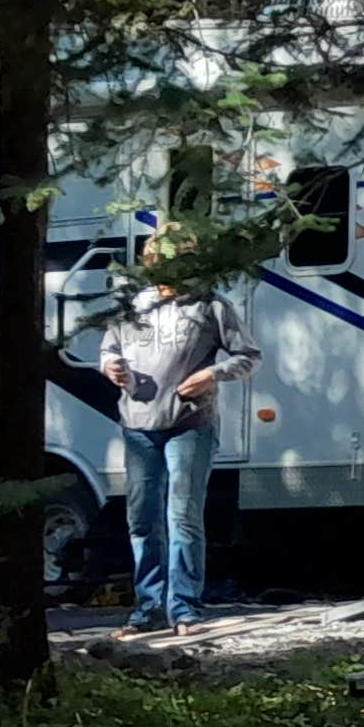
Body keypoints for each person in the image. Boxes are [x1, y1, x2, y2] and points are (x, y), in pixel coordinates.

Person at [95, 230, 255, 635]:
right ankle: (148, 608)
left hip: (189, 424)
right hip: (138, 425)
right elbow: (109, 348)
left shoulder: (210, 305)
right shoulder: (132, 306)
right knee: (142, 519)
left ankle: (184, 609)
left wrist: (211, 374)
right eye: (160, 265)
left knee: (182, 516)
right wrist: (110, 366)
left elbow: (247, 356)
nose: (168, 274)